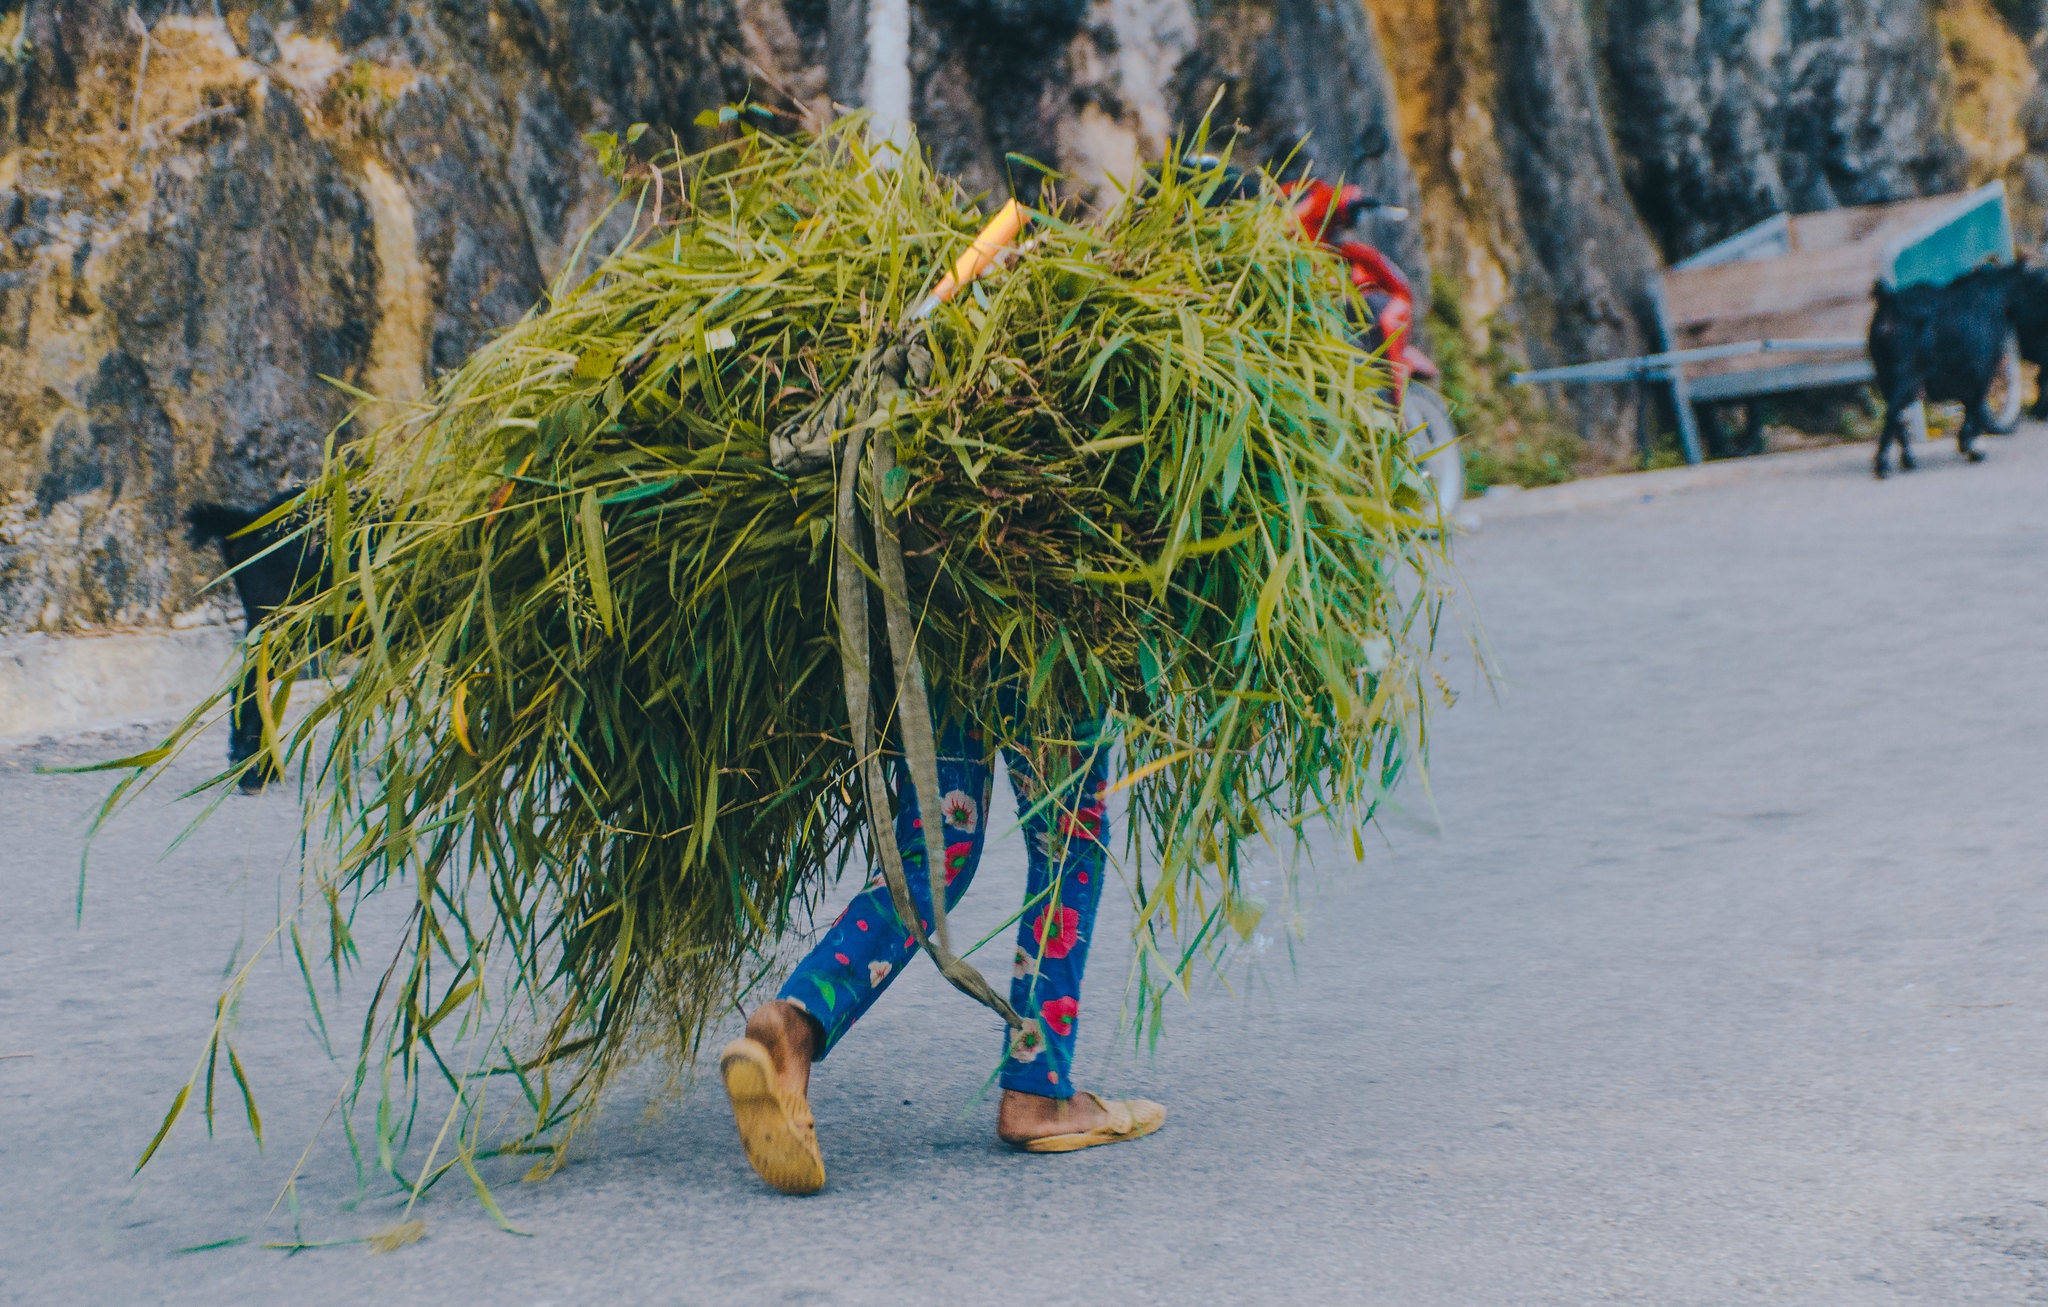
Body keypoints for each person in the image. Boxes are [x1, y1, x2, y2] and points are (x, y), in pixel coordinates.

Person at [718, 707, 1166, 1194]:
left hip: (939, 639)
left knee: (938, 845)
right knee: (1067, 839)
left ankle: (797, 1021)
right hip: (1050, 635)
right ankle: (1039, 1089)